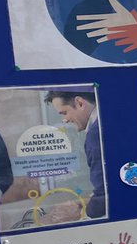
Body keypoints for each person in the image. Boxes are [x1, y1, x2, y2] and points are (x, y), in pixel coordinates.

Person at [45, 89, 106, 220]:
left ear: (80, 103)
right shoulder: (108, 122)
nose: (65, 120)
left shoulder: (96, 134)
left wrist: (79, 213)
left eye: (64, 113)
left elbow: (105, 195)